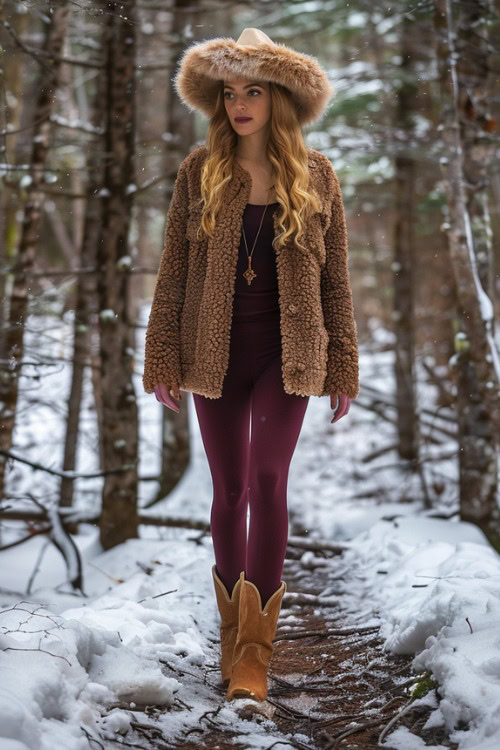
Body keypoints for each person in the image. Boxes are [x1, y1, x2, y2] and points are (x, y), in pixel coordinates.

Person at [142, 28, 359, 702]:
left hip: (287, 354)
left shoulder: (316, 173)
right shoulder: (199, 169)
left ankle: (255, 660)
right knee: (228, 489)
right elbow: (174, 271)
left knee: (268, 480)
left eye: (253, 91)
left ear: (279, 98)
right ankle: (232, 638)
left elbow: (337, 279)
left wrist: (342, 363)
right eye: (230, 92)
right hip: (215, 352)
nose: (240, 103)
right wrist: (162, 356)